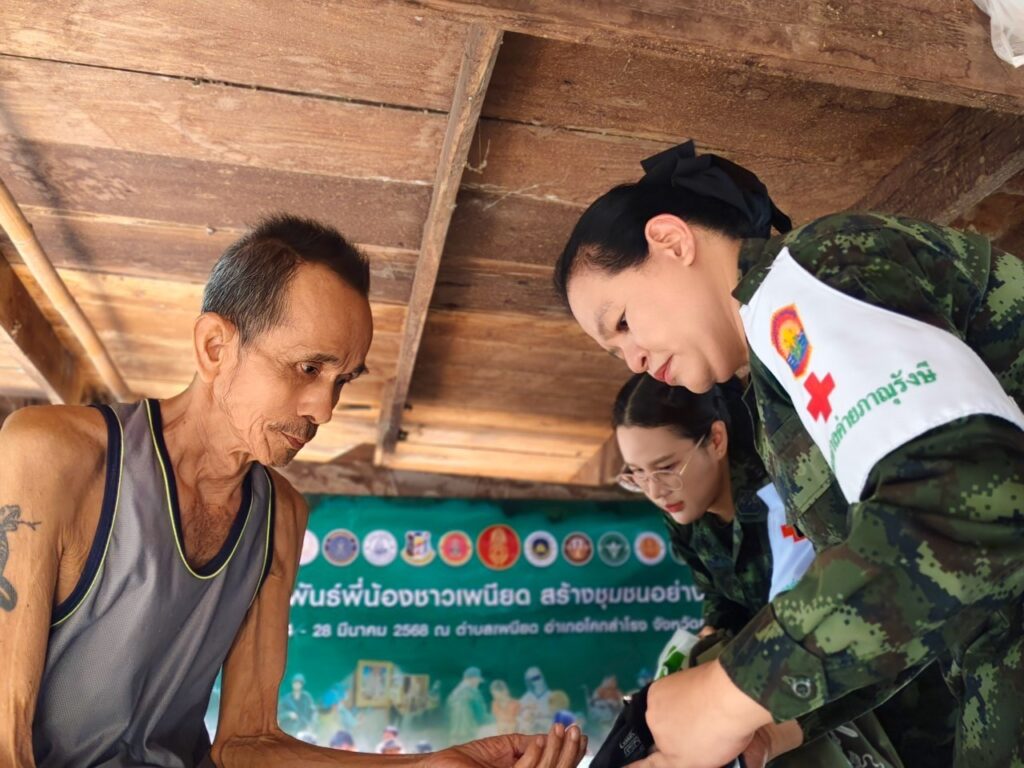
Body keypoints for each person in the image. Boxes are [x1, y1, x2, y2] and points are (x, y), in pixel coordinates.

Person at [1, 214, 588, 768]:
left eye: (342, 380)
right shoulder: (54, 455)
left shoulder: (279, 515)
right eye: (308, 368)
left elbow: (247, 744)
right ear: (214, 348)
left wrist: (429, 763)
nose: (324, 410)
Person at [553, 140, 1023, 767]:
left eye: (621, 323)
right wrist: (773, 731)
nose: (634, 360)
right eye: (616, 353)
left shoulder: (808, 274)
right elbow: (914, 598)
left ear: (670, 242)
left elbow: (966, 511)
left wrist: (726, 697)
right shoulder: (775, 395)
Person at [614, 373, 907, 767]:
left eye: (665, 467)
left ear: (716, 440)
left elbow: (869, 613)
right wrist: (709, 642)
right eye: (636, 473)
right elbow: (719, 596)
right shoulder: (683, 514)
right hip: (793, 697)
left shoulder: (789, 491)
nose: (654, 490)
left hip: (886, 685)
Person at [446, 668, 489, 745]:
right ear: (474, 679)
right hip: (469, 734)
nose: (478, 684)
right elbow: (480, 714)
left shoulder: (453, 694)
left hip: (454, 735)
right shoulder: (473, 693)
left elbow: (447, 713)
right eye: (478, 681)